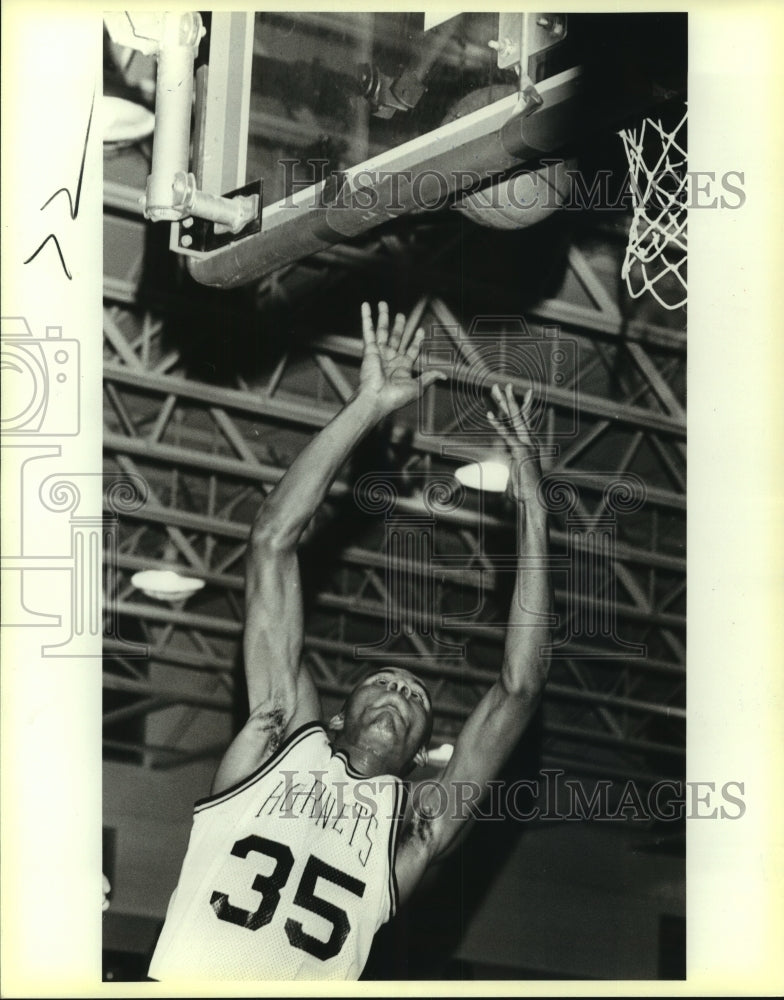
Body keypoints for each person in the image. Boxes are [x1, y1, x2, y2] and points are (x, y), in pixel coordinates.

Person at [148, 302, 552, 981]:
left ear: (421, 756)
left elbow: (520, 689)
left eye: (416, 696)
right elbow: (271, 542)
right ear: (335, 717)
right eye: (384, 682)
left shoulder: (411, 829)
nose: (399, 690)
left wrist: (534, 509)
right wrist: (367, 407)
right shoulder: (281, 740)